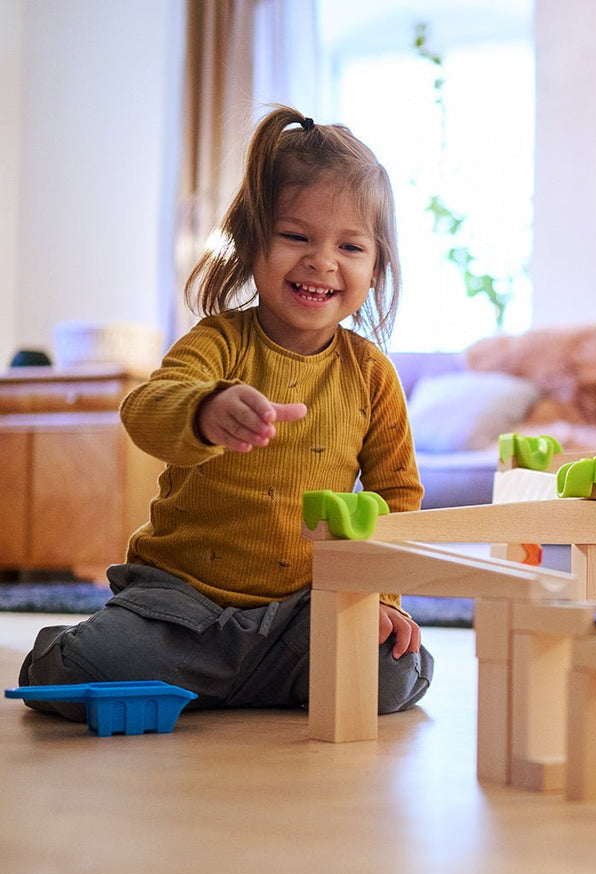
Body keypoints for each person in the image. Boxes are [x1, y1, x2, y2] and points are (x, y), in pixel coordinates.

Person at [19, 105, 433, 721]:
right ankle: (70, 652)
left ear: (375, 269)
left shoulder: (371, 375)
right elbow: (146, 410)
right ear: (250, 242)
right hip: (183, 605)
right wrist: (205, 409)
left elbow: (396, 495)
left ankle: (226, 682)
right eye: (296, 237)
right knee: (90, 669)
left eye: (350, 245)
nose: (322, 261)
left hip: (304, 611)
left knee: (395, 672)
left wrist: (382, 597)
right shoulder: (218, 342)